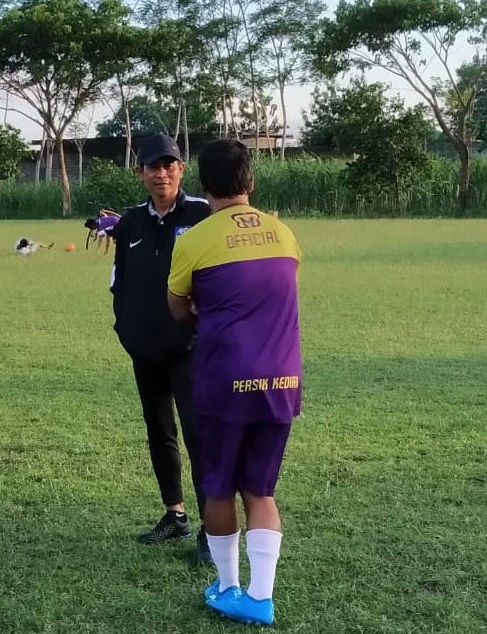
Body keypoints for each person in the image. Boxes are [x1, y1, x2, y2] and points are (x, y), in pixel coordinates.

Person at [167, 139, 302, 626]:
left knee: (219, 487)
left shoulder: (195, 239)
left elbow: (178, 308)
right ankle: (260, 598)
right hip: (283, 378)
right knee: (261, 491)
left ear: (204, 188)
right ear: (252, 182)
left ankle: (226, 587)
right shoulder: (284, 234)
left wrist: (201, 305)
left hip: (224, 378)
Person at [110, 133, 212, 564]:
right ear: (141, 173)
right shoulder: (130, 222)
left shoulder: (203, 214)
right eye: (153, 166)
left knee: (199, 437)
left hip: (190, 350)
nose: (161, 172)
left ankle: (214, 529)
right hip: (144, 350)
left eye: (169, 164)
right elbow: (119, 280)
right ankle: (175, 513)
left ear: (181, 169)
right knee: (159, 432)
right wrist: (126, 329)